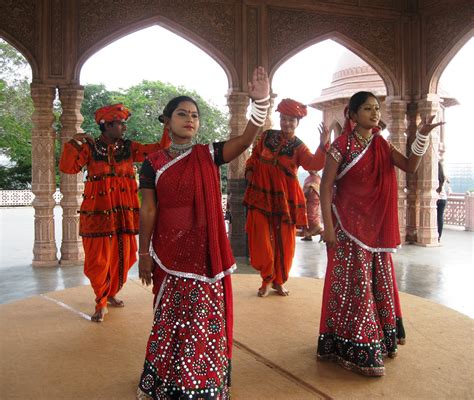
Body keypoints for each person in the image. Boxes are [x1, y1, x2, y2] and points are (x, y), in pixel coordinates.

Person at [136, 67, 270, 400]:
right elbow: (149, 209)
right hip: (168, 251)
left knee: (201, 317)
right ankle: (167, 381)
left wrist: (261, 103)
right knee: (171, 317)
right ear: (167, 120)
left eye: (194, 115)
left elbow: (245, 140)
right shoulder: (152, 162)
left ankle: (203, 381)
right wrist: (143, 254)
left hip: (204, 251)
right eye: (182, 114)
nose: (190, 119)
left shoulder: (207, 154)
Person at [317, 91, 443, 376]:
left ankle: (380, 340)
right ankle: (357, 346)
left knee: (378, 284)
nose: (375, 113)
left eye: (377, 109)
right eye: (367, 109)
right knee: (356, 288)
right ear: (352, 114)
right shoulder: (341, 146)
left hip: (375, 230)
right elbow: (326, 187)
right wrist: (326, 225)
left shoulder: (381, 145)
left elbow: (410, 166)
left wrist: (421, 136)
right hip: (347, 228)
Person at [59, 104, 170, 322]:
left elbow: (159, 150)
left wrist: (167, 127)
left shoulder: (129, 148)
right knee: (98, 260)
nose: (124, 128)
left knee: (126, 255)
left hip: (124, 213)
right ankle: (100, 301)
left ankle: (111, 293)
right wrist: (75, 141)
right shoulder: (90, 148)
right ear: (106, 125)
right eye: (120, 124)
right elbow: (67, 167)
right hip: (97, 213)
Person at [243, 98, 330, 297]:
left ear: (298, 123)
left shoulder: (299, 147)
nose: (287, 123)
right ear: (279, 119)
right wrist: (250, 172)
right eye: (284, 119)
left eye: (291, 120)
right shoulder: (266, 136)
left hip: (286, 199)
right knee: (262, 239)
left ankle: (279, 281)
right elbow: (254, 157)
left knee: (286, 242)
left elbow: (313, 163)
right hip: (260, 195)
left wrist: (323, 144)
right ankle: (266, 279)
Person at [301, 170, 323, 241]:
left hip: (312, 200)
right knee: (306, 216)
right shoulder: (309, 177)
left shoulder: (315, 178)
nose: (309, 170)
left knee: (311, 217)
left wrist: (303, 194)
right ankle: (308, 235)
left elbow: (310, 190)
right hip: (307, 200)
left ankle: (322, 232)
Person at [436, 158, 450, 242]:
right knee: (440, 217)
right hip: (443, 198)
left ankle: (435, 234)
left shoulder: (434, 176)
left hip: (436, 198)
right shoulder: (443, 177)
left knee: (435, 218)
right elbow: (448, 182)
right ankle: (439, 236)